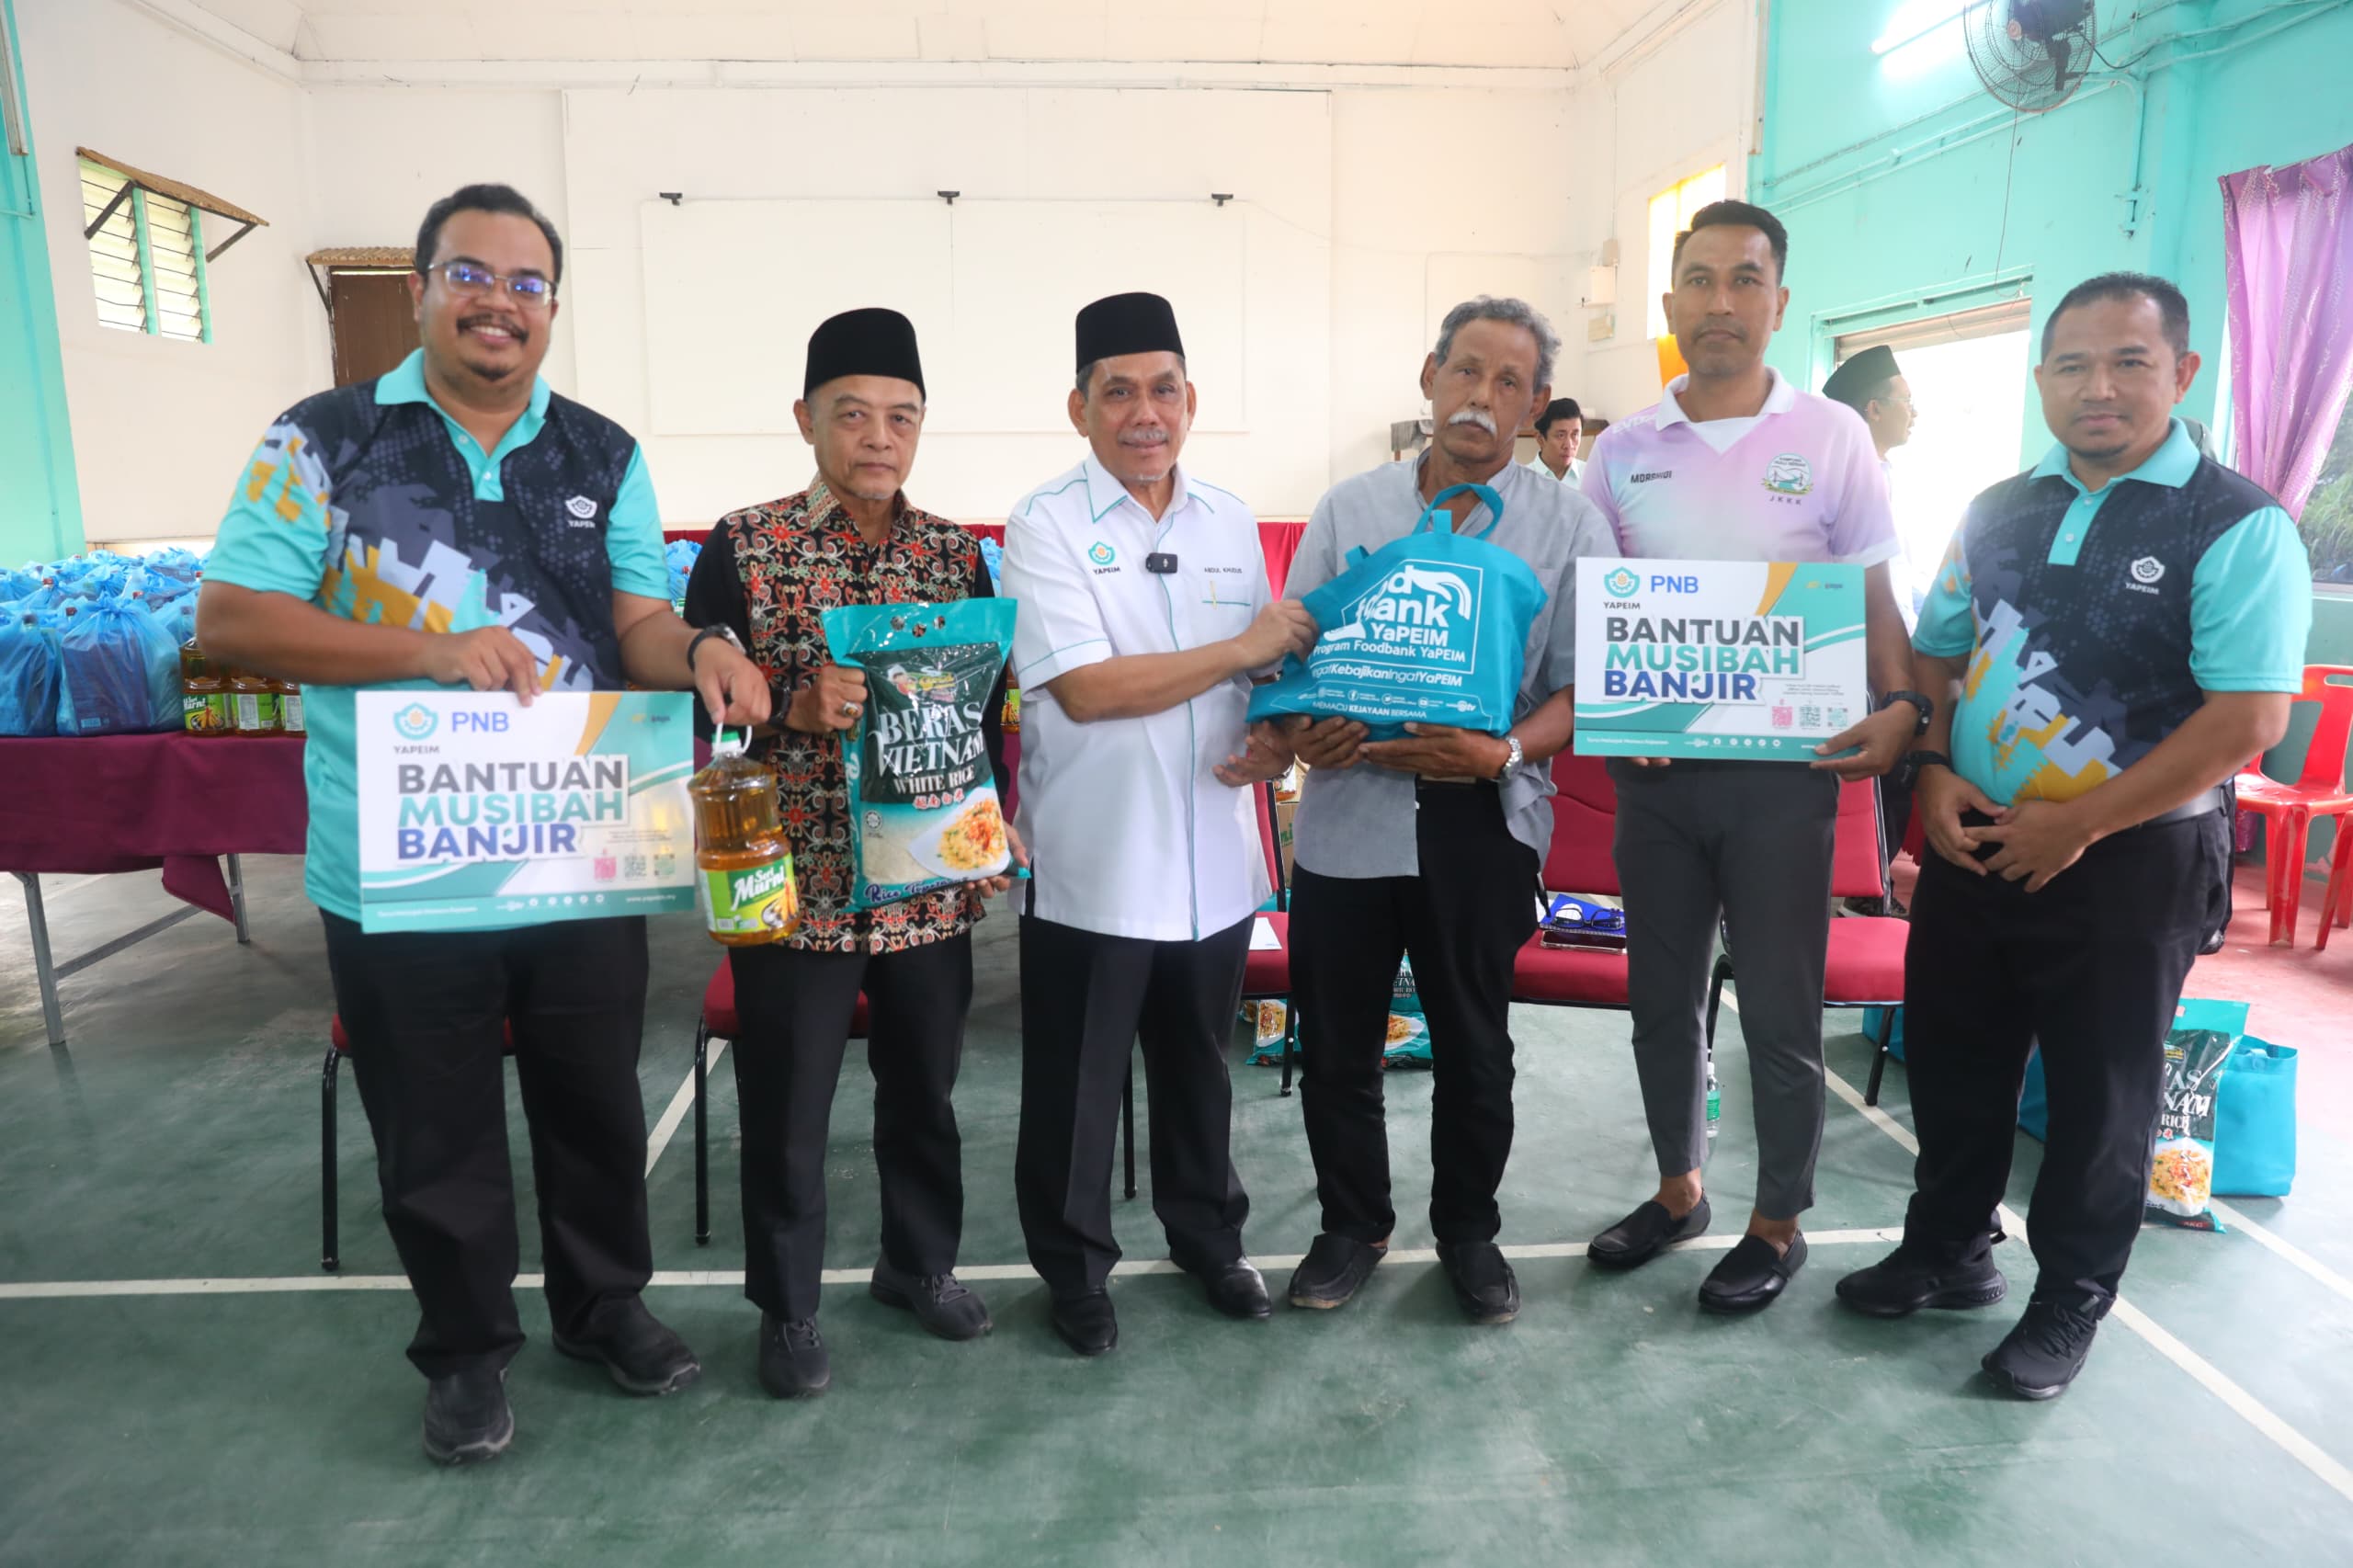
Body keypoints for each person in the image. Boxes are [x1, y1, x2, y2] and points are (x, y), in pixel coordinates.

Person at [196, 183, 770, 1464]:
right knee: (434, 1116)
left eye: (525, 283)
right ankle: (463, 1350)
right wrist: (427, 647)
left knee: (594, 1096)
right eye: (470, 274)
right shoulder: (323, 438)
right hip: (403, 856)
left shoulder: (603, 454)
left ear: (552, 307)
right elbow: (231, 619)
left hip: (580, 834)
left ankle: (603, 1307)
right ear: (420, 290)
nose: (498, 302)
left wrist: (703, 650)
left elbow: (636, 623)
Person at [1836, 273, 2307, 1399]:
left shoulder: (2236, 523)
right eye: (2072, 365)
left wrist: (2080, 823)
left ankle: (2071, 1295)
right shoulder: (1999, 506)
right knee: (1951, 1057)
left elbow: (2248, 718)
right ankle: (1949, 1247)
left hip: (2133, 860)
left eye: (2128, 362)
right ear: (2041, 377)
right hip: (1975, 838)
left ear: (2180, 373)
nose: (2098, 387)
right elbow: (1939, 650)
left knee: (2102, 1094)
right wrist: (1932, 771)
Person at [1579, 199, 1914, 1314]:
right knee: (1659, 999)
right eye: (1699, 279)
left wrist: (1902, 703)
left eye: (1744, 279)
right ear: (1669, 301)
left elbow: (1872, 593)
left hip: (1787, 779)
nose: (1719, 301)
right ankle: (1678, 1190)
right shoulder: (1621, 450)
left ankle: (1777, 1223)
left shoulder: (1832, 434)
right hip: (1655, 780)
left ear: (1778, 300)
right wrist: (1619, 718)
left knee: (1777, 1007)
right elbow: (1598, 611)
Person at [682, 308, 1023, 1399]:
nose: (880, 437)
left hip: (927, 882)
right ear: (806, 419)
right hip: (799, 886)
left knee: (924, 1091)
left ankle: (918, 1263)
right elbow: (701, 716)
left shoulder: (954, 554)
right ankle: (786, 1308)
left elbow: (980, 717)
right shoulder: (745, 546)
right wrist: (789, 703)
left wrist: (991, 822)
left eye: (901, 417)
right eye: (853, 414)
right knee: (788, 1107)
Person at [1279, 296, 1619, 1324]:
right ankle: (1352, 1224)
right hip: (1348, 812)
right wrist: (1304, 730)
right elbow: (1294, 652)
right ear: (1430, 377)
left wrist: (1503, 750)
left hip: (1481, 816)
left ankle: (1469, 1229)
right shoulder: (1349, 510)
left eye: (1509, 382)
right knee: (1338, 1043)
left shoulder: (1569, 523)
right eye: (1466, 370)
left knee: (1475, 1045)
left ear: (1535, 404)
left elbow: (1588, 685)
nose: (1482, 396)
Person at [1002, 291, 1316, 1357]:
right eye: (1119, 392)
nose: (1145, 413)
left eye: (1164, 390)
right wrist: (1241, 650)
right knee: (1076, 1083)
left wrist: (1273, 738)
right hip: (1095, 858)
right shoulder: (1045, 523)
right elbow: (1085, 689)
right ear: (1079, 407)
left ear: (1191, 400)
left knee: (1197, 1066)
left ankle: (1207, 1239)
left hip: (1214, 854)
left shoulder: (1227, 517)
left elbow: (1268, 674)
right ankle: (1075, 1268)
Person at [1824, 342, 1923, 905]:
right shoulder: (1840, 477)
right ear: (1873, 408)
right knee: (1873, 775)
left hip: (1898, 644)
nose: (1915, 413)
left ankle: (1872, 882)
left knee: (1898, 772)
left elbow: (1900, 573)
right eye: (1905, 401)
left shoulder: (1889, 475)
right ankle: (1862, 885)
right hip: (1858, 653)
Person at [1527, 396, 1586, 484]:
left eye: (1575, 435)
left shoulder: (1593, 475)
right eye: (1561, 435)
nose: (1569, 445)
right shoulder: (1522, 480)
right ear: (1540, 439)